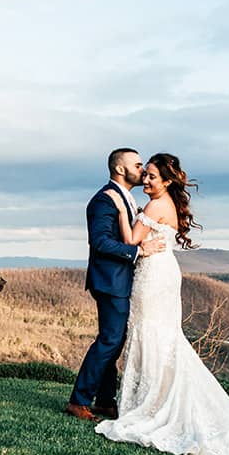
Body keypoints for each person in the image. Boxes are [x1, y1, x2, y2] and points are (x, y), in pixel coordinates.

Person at [93, 152, 229, 455]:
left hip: (153, 277)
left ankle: (152, 405)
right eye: (144, 174)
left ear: (167, 181)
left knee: (151, 334)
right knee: (161, 336)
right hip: (163, 273)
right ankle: (157, 399)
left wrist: (122, 211)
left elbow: (133, 239)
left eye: (151, 176)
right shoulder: (167, 204)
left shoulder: (154, 205)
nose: (146, 180)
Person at [67, 148, 164, 422]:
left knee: (114, 341)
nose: (142, 169)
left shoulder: (127, 199)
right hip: (110, 281)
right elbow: (99, 242)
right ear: (120, 169)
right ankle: (79, 401)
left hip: (121, 281)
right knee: (109, 340)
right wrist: (137, 252)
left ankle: (106, 401)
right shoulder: (104, 201)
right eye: (137, 164)